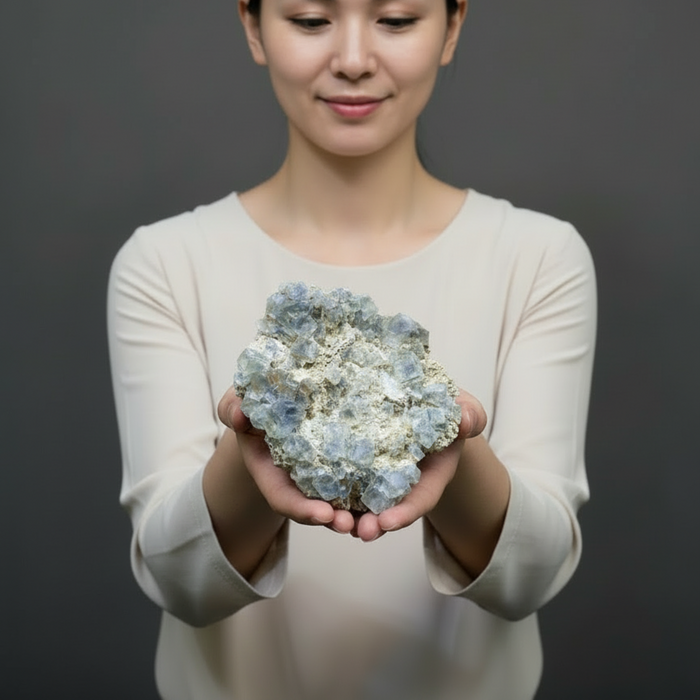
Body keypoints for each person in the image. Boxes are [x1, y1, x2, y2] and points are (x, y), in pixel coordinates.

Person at [107, 1, 596, 698]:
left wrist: (452, 457)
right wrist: (250, 462)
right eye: (311, 20)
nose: (355, 59)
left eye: (396, 19)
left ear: (453, 25)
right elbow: (177, 579)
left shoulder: (538, 258)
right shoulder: (164, 264)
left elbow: (534, 573)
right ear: (252, 25)